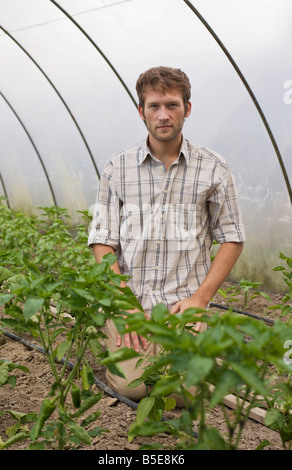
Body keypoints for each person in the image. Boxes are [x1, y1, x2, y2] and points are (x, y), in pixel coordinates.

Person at [88, 66, 245, 402]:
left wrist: (200, 300)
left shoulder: (213, 168)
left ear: (187, 109)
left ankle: (188, 345)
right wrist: (124, 304)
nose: (163, 115)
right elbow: (102, 241)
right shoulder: (118, 167)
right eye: (154, 106)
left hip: (182, 305)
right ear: (141, 111)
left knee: (185, 394)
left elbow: (232, 237)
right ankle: (124, 338)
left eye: (172, 105)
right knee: (133, 388)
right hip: (133, 303)